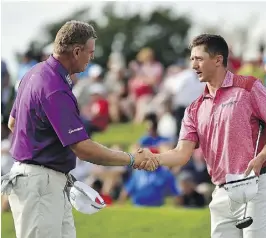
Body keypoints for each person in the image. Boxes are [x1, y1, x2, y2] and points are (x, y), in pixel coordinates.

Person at [3, 20, 158, 238]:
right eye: (90, 52)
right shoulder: (55, 87)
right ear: (77, 51)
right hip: (40, 183)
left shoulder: (34, 73)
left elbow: (13, 123)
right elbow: (83, 148)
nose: (92, 57)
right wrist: (132, 159)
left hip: (42, 180)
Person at [137, 34, 266, 238]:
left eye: (198, 59)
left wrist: (262, 156)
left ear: (218, 60)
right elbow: (182, 153)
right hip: (221, 193)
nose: (193, 65)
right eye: (191, 59)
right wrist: (154, 157)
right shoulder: (194, 108)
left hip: (256, 186)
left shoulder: (248, 87)